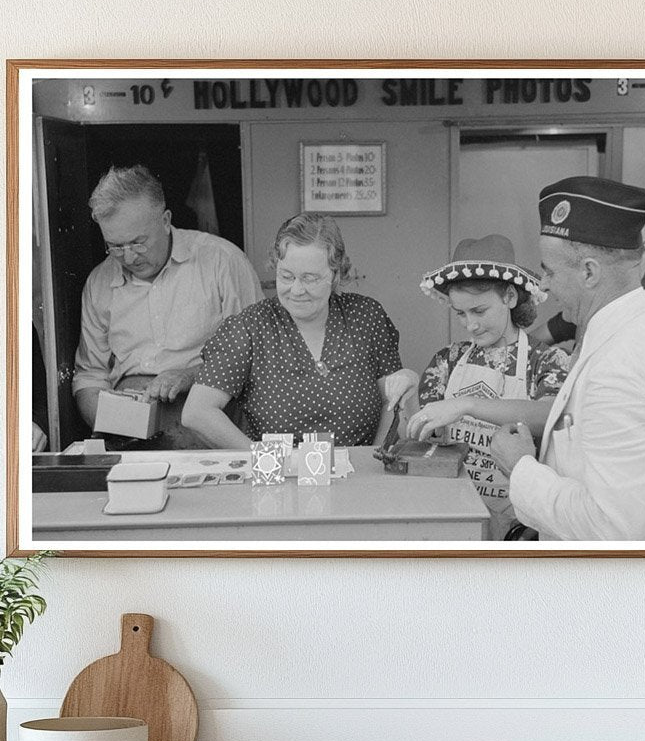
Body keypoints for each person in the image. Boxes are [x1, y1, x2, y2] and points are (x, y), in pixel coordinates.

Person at [491, 176, 645, 542]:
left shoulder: (618, 369)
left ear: (589, 272)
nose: (544, 286)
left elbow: (610, 525)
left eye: (549, 270)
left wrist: (520, 468)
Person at [181, 213, 417, 447]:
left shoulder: (365, 317)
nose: (296, 290)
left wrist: (374, 458)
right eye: (286, 276)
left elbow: (392, 401)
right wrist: (263, 460)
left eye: (310, 278)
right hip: (277, 477)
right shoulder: (249, 328)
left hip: (356, 473)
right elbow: (197, 413)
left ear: (335, 275)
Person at [72, 164, 263, 447]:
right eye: (115, 246)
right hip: (129, 433)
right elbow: (90, 375)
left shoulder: (222, 262)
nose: (128, 256)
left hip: (211, 424)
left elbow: (259, 355)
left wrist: (190, 376)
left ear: (165, 220)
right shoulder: (99, 282)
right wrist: (109, 422)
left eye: (138, 242)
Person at [407, 235, 571, 539]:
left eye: (479, 311)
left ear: (509, 297)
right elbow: (424, 443)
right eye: (461, 313)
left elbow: (550, 415)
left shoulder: (546, 361)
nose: (470, 325)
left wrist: (466, 404)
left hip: (520, 527)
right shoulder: (448, 360)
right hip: (453, 519)